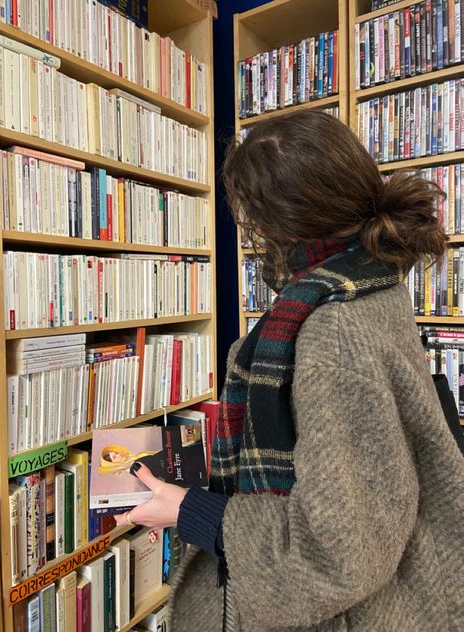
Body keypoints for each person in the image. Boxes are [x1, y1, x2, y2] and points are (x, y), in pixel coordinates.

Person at [115, 111, 464, 631]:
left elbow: (338, 553)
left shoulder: (331, 330)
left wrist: (191, 512)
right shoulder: (368, 279)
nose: (254, 239)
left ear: (283, 223)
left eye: (255, 221)